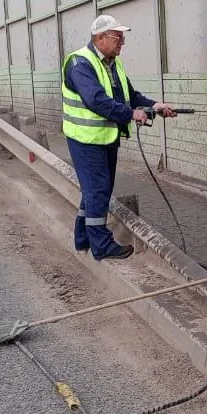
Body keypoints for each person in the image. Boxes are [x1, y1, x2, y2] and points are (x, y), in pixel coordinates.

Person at [62, 14, 176, 260]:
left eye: (123, 37)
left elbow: (130, 96)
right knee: (98, 190)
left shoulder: (113, 63)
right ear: (100, 38)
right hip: (86, 140)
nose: (122, 42)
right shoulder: (80, 64)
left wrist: (155, 106)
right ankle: (101, 246)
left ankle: (83, 238)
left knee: (94, 191)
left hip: (105, 138)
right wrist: (130, 114)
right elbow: (95, 100)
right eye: (117, 37)